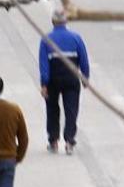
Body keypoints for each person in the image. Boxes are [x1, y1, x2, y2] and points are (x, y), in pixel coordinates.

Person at [38, 9, 89, 155]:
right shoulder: (76, 38)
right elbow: (84, 59)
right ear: (65, 22)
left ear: (53, 22)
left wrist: (44, 84)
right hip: (71, 78)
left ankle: (53, 141)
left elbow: (44, 64)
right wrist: (85, 77)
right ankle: (69, 141)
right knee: (71, 110)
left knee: (52, 109)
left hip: (53, 79)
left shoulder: (46, 39)